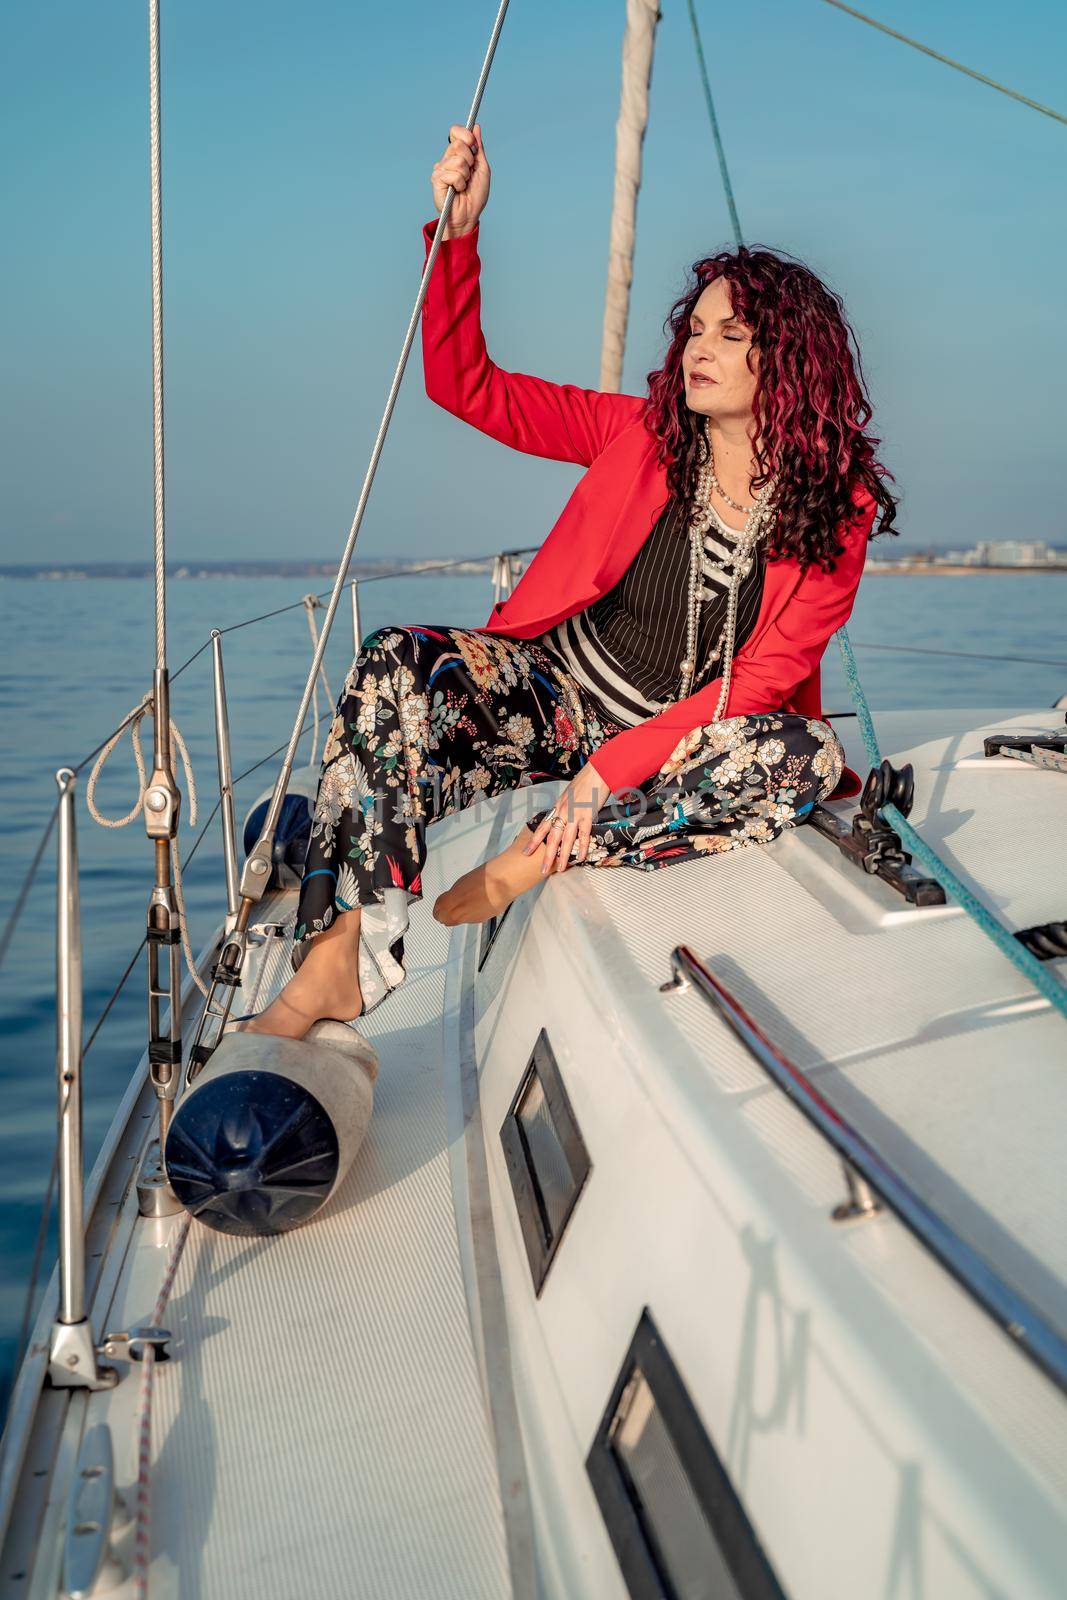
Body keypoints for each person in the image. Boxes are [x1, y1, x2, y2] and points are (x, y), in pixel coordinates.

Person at [242, 122, 897, 1039]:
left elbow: (753, 683)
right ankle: (333, 962)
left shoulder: (838, 508)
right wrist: (459, 238)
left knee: (804, 756)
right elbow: (469, 388)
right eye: (695, 328)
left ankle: (543, 854)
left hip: (681, 742)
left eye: (731, 332)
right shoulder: (641, 431)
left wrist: (600, 779)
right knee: (397, 658)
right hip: (554, 694)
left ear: (786, 358)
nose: (698, 348)